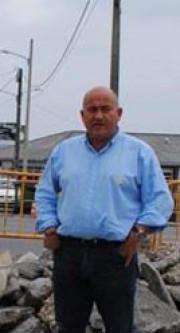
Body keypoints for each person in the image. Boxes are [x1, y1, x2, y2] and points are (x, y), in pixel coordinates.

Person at [35, 86, 174, 332]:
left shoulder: (139, 152)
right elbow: (45, 193)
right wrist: (49, 227)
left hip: (116, 255)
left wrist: (138, 233)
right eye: (92, 110)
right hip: (68, 253)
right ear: (82, 115)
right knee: (68, 326)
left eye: (105, 109)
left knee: (119, 327)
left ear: (118, 113)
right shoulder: (64, 152)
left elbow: (160, 200)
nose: (98, 116)